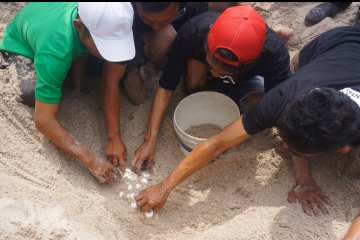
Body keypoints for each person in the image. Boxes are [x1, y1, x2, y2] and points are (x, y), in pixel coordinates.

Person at [135, 24, 360, 216]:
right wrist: (165, 187)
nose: (282, 145)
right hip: (338, 43)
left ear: (343, 148)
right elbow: (217, 143)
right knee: (297, 66)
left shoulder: (348, 140)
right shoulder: (285, 97)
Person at [131, 6, 290, 172]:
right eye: (212, 65)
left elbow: (276, 107)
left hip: (247, 77)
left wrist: (222, 140)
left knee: (262, 105)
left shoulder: (275, 54)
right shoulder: (194, 31)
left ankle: (243, 82)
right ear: (207, 42)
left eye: (222, 71)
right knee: (193, 82)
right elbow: (166, 87)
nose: (214, 73)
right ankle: (214, 74)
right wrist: (149, 142)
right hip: (201, 61)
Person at [0, 2, 136, 182]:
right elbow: (43, 121)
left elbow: (81, 47)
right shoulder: (55, 50)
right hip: (19, 46)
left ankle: (72, 82)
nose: (110, 54)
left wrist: (78, 88)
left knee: (76, 60)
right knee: (31, 94)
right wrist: (91, 160)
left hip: (46, 19)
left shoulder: (99, 12)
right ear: (79, 26)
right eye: (104, 45)